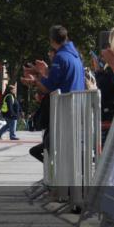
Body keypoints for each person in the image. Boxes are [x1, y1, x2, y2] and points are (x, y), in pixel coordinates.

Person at [23, 25, 86, 162]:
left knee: (49, 143)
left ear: (52, 40)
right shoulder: (75, 57)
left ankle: (57, 175)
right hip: (76, 107)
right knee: (54, 144)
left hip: (63, 109)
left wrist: (35, 81)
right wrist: (40, 73)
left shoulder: (60, 57)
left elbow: (48, 87)